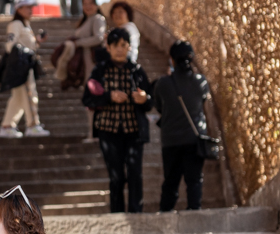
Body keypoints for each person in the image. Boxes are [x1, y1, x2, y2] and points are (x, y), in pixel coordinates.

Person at [82, 28, 152, 213]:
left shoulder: (137, 71)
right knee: (116, 177)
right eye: (115, 45)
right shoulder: (100, 71)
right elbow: (87, 99)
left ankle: (137, 213)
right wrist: (108, 96)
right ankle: (117, 215)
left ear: (129, 47)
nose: (119, 49)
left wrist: (144, 99)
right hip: (108, 131)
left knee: (135, 174)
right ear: (108, 47)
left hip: (134, 131)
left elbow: (150, 102)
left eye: (123, 45)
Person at [153, 41, 211, 211]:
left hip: (171, 140)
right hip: (194, 138)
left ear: (172, 59)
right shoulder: (200, 82)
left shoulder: (163, 83)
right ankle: (194, 212)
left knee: (171, 181)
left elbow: (159, 106)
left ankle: (165, 214)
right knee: (194, 180)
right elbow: (202, 101)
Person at [0, 0, 50, 138]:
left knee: (18, 98)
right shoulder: (16, 24)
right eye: (27, 8)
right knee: (29, 94)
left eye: (31, 7)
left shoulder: (25, 25)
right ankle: (32, 125)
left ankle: (7, 126)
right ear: (19, 9)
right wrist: (22, 57)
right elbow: (10, 44)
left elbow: (27, 46)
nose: (30, 10)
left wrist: (37, 41)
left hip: (25, 65)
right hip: (21, 67)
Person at [52, 0, 107, 90]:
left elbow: (99, 38)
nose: (88, 6)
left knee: (93, 87)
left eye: (90, 3)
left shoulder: (97, 18)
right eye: (85, 4)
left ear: (96, 5)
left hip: (92, 60)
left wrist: (78, 43)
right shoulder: (86, 20)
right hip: (84, 60)